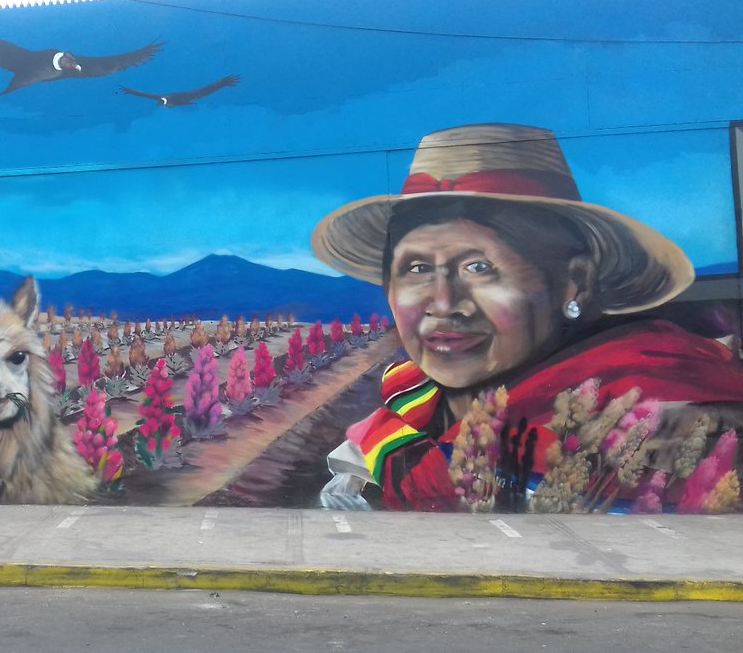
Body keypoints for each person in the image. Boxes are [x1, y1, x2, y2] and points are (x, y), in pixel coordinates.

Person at [312, 123, 743, 513]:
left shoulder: (656, 415)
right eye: (417, 269)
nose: (443, 303)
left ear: (575, 282)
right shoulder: (411, 398)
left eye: (479, 267)